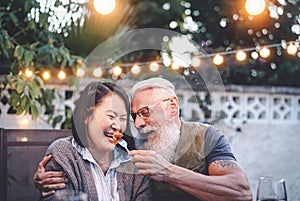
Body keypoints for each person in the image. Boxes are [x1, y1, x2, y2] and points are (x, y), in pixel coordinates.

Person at [33, 77, 252, 201]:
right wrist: (45, 186)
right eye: (135, 116)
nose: (137, 124)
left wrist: (167, 172)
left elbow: (241, 192)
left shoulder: (206, 137)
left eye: (145, 112)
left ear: (172, 106)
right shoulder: (133, 150)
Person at [33, 81, 151, 201]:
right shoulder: (63, 154)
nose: (118, 126)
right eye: (111, 116)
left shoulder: (133, 163)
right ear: (86, 116)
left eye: (123, 119)